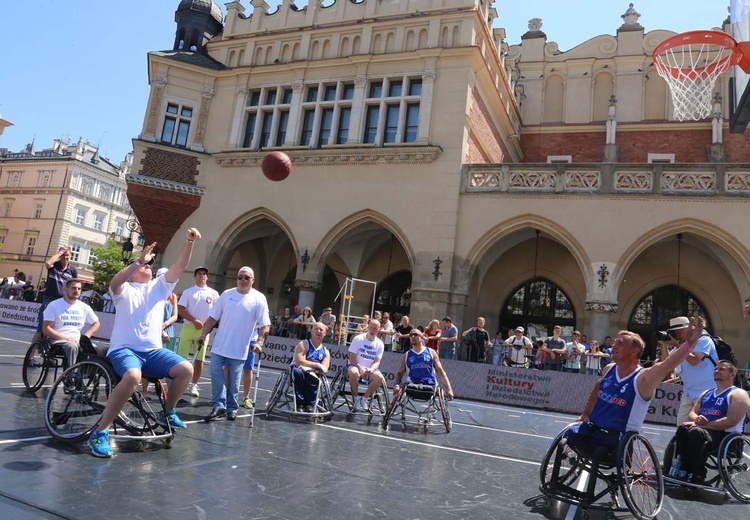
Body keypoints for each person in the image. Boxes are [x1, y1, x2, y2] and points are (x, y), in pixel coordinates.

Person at [87, 229, 200, 458]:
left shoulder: (159, 287)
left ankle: (166, 413)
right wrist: (139, 260)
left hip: (152, 352)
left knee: (186, 369)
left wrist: (189, 242)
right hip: (124, 350)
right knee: (133, 377)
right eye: (143, 266)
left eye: (150, 264)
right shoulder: (124, 289)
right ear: (133, 271)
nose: (149, 266)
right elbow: (115, 280)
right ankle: (100, 432)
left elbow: (179, 265)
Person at [564, 317, 705, 452]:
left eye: (620, 344)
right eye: (614, 342)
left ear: (634, 351)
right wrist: (585, 413)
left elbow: (667, 365)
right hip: (594, 427)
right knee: (568, 433)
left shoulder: (643, 378)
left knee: (599, 448)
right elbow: (597, 388)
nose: (614, 346)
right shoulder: (609, 369)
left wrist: (689, 344)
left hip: (618, 435)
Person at [200, 267, 271, 422]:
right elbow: (212, 317)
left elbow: (265, 325)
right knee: (215, 373)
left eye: (246, 277)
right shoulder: (227, 295)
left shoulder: (258, 298)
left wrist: (260, 342)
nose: (243, 280)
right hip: (220, 345)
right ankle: (219, 405)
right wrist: (204, 334)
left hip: (240, 348)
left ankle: (232, 408)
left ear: (253, 280)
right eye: (240, 277)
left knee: (234, 380)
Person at [672, 360, 750, 484]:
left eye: (722, 369)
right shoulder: (706, 393)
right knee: (683, 429)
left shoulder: (739, 394)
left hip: (727, 438)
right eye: (716, 369)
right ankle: (682, 469)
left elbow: (731, 421)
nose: (717, 371)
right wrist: (696, 419)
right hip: (705, 432)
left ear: (733, 374)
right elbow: (692, 413)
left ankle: (698, 474)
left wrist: (702, 425)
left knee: (696, 432)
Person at [661, 316, 718, 424]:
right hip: (688, 393)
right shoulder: (682, 345)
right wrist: (664, 345)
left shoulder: (704, 340)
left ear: (689, 329)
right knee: (681, 426)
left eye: (679, 332)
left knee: (700, 427)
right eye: (675, 333)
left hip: (706, 392)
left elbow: (694, 360)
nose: (677, 336)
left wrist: (678, 346)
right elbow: (666, 362)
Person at [176, 266, 220, 398]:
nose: (202, 276)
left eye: (205, 274)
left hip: (203, 331)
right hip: (188, 328)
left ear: (207, 277)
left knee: (199, 360)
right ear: (195, 276)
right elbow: (180, 309)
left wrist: (207, 326)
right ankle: (178, 383)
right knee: (180, 358)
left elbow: (217, 312)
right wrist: (194, 320)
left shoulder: (213, 293)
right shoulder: (188, 292)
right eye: (200, 274)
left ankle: (194, 385)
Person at [42, 278, 100, 374]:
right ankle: (70, 377)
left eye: (79, 289)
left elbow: (96, 323)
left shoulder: (84, 307)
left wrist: (86, 337)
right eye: (73, 288)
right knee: (72, 346)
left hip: (76, 340)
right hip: (57, 340)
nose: (76, 291)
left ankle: (86, 376)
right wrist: (66, 338)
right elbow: (46, 329)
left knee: (97, 349)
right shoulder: (54, 305)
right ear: (66, 289)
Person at [32, 246, 78, 344]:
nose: (65, 257)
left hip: (63, 302)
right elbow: (48, 263)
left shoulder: (72, 270)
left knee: (58, 330)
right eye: (63, 255)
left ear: (70, 256)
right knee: (41, 330)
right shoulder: (55, 266)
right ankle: (30, 357)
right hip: (49, 300)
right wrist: (59, 252)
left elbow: (75, 285)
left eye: (67, 255)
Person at [393, 330, 454, 400]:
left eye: (415, 335)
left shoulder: (431, 352)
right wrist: (396, 385)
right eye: (411, 335)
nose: (412, 337)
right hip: (412, 386)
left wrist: (449, 389)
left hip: (430, 386)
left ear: (421, 337)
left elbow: (441, 372)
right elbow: (399, 374)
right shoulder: (407, 355)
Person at [292, 321, 331, 412]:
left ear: (324, 333)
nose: (318, 331)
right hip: (300, 371)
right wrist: (316, 365)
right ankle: (300, 403)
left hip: (314, 374)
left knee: (314, 376)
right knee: (297, 372)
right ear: (312, 331)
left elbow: (324, 369)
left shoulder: (325, 352)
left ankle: (310, 404)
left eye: (321, 330)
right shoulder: (304, 344)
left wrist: (315, 368)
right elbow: (299, 362)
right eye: (316, 329)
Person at [347, 319, 385, 411]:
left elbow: (377, 361)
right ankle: (356, 398)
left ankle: (365, 398)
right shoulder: (358, 339)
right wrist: (360, 368)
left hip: (370, 368)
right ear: (368, 327)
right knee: (353, 372)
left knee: (379, 377)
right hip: (356, 365)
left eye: (375, 329)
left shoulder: (380, 344)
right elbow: (352, 358)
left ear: (379, 330)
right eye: (371, 328)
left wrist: (371, 369)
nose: (372, 330)